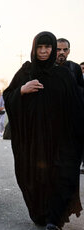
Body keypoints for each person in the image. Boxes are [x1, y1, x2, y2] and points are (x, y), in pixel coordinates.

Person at [3, 31, 84, 230]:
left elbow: (75, 105)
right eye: (40, 47)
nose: (43, 51)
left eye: (47, 47)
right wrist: (22, 90)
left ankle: (54, 221)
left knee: (62, 174)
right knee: (36, 177)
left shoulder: (63, 75)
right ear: (34, 48)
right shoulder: (26, 72)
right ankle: (42, 213)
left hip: (61, 139)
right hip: (34, 141)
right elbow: (9, 96)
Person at [56, 39, 84, 175]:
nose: (61, 52)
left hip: (71, 121)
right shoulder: (46, 68)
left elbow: (81, 92)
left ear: (69, 51)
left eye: (64, 49)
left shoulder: (75, 68)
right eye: (58, 49)